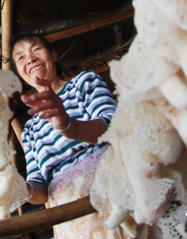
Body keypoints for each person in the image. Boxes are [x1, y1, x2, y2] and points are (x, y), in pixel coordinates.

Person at [10, 34, 146, 238]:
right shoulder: (30, 129)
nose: (30, 59)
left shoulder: (84, 82)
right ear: (20, 73)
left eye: (36, 50)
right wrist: (17, 187)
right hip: (73, 222)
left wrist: (68, 126)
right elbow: (40, 191)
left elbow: (113, 126)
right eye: (21, 58)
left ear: (53, 55)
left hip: (116, 194)